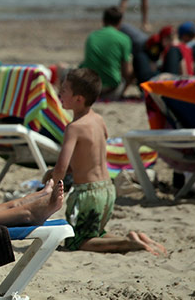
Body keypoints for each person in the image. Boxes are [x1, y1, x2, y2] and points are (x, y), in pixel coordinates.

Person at [46, 68, 166, 255]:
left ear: (78, 99)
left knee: (78, 242)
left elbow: (61, 167)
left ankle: (130, 244)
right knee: (96, 233)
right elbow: (91, 153)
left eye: (64, 90)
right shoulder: (99, 120)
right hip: (107, 190)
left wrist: (53, 187)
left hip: (88, 194)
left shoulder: (74, 128)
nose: (59, 93)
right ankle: (137, 237)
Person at [80, 6, 133, 100]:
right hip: (112, 90)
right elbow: (127, 72)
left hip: (90, 88)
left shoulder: (92, 36)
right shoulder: (124, 39)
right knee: (132, 67)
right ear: (120, 22)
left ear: (103, 20)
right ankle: (121, 94)